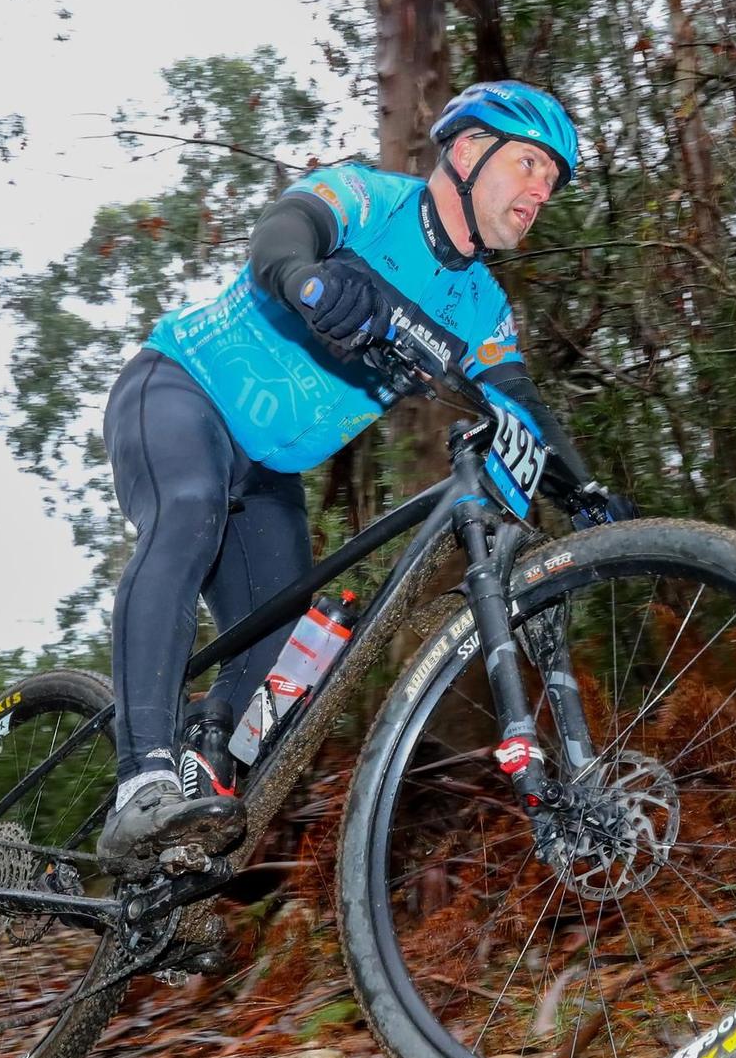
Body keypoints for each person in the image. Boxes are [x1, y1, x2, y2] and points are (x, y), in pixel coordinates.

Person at [96, 81, 631, 873]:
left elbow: (520, 406)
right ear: (465, 150)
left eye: (551, 181)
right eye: (528, 164)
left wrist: (583, 492)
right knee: (190, 507)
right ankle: (140, 778)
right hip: (178, 387)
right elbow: (283, 233)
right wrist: (311, 280)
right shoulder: (371, 197)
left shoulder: (481, 307)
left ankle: (181, 832)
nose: (538, 192)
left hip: (268, 471)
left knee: (280, 656)